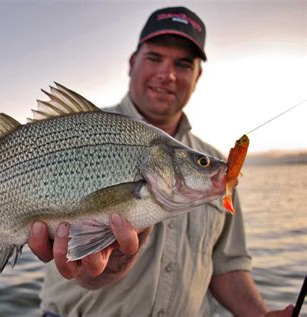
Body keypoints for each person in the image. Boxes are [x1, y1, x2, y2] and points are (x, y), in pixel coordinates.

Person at [28, 6, 294, 317]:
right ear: (132, 63)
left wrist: (260, 315)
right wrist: (107, 260)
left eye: (182, 64)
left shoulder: (219, 164)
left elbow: (226, 264)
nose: (166, 74)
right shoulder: (78, 131)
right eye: (155, 58)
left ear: (197, 76)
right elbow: (84, 272)